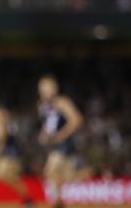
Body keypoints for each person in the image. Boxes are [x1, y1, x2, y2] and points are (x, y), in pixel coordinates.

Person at [37, 74, 84, 208]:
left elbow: (77, 119)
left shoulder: (62, 102)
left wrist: (62, 135)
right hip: (54, 144)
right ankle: (59, 201)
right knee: (56, 174)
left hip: (66, 143)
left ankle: (57, 202)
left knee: (51, 168)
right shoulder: (41, 105)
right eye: (42, 88)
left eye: (47, 88)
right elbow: (48, 123)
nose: (44, 91)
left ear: (55, 89)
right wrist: (44, 134)